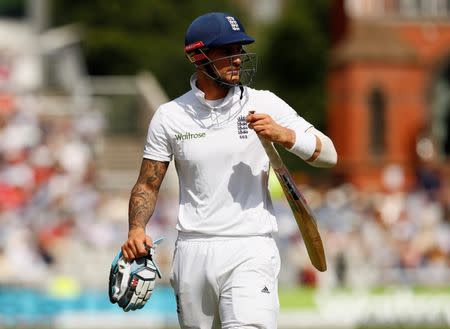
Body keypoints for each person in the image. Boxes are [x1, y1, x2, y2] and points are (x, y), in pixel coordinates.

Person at [121, 12, 337, 329]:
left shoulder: (265, 104)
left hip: (251, 246)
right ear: (198, 56)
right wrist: (136, 229)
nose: (237, 58)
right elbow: (148, 185)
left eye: (239, 49)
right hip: (193, 251)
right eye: (227, 51)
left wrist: (286, 136)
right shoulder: (170, 116)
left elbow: (329, 154)